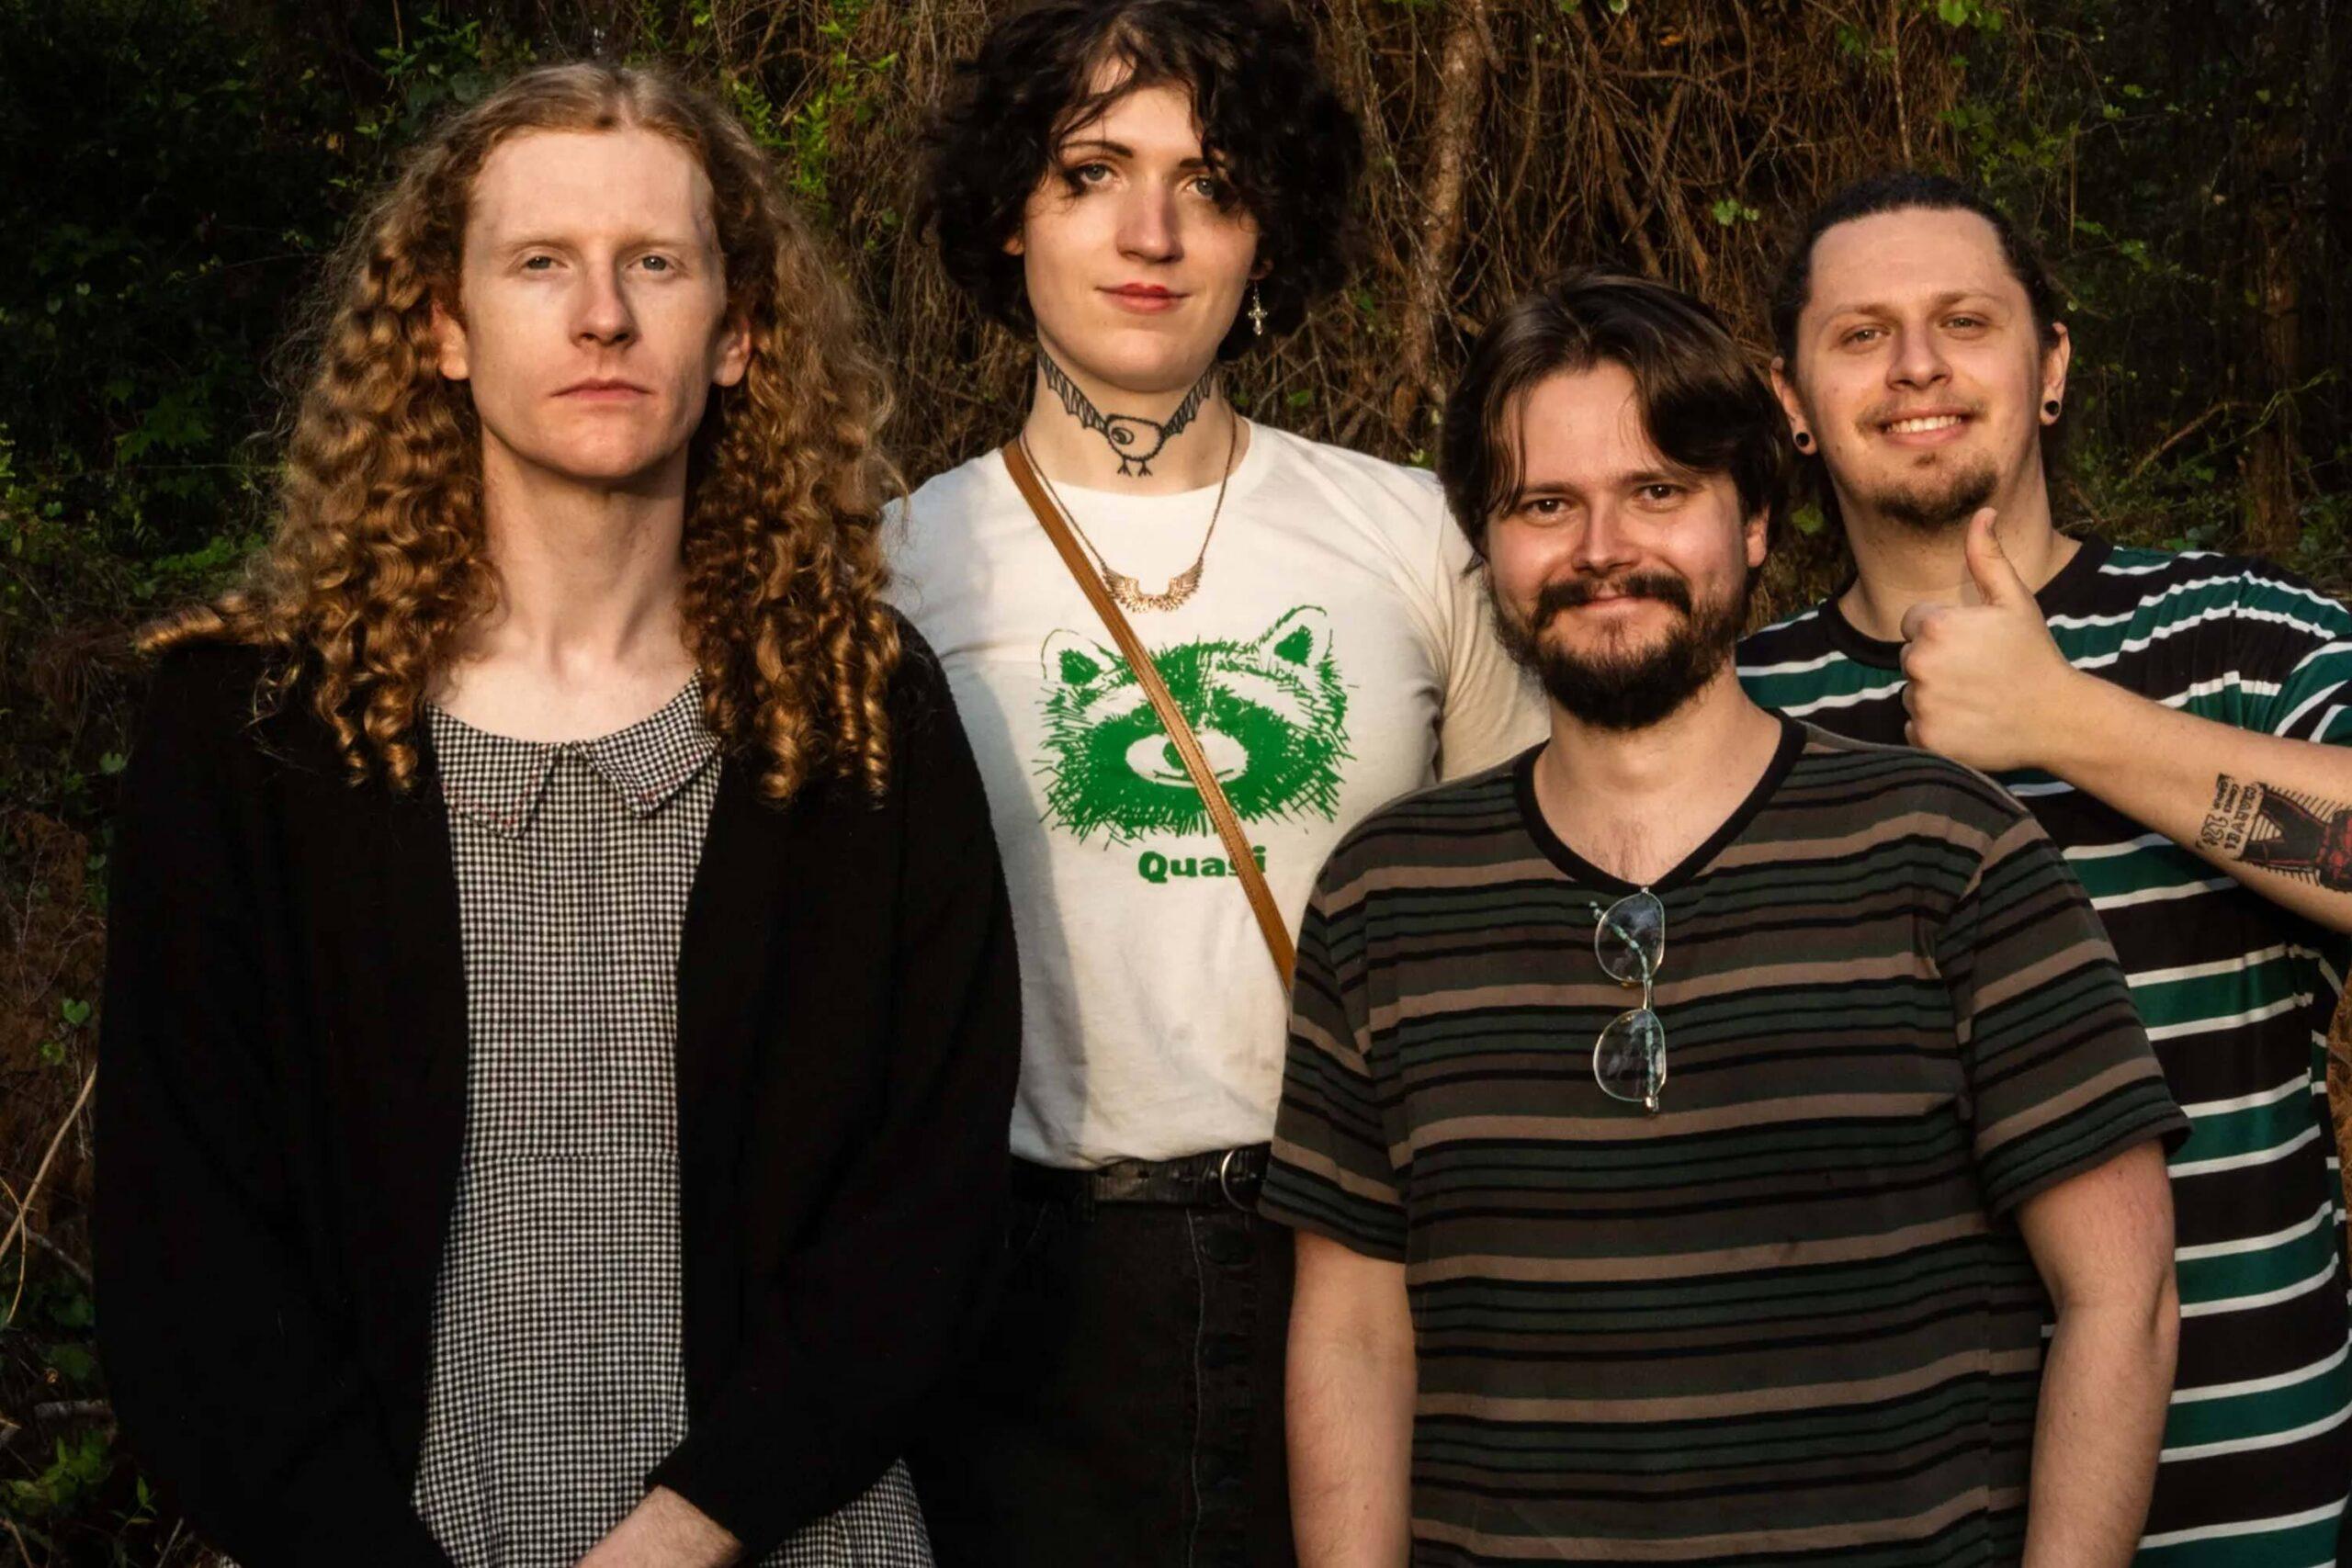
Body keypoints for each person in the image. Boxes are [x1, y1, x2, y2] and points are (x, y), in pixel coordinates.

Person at [93, 63, 1020, 1568]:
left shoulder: (859, 708)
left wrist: (688, 1533)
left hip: (793, 1535)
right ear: (444, 328)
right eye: (541, 263)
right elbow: (184, 1242)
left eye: (656, 262)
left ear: (738, 333)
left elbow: (932, 1206)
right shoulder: (254, 729)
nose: (603, 316)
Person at [1264, 268, 2188, 1566]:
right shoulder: (1385, 894)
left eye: (1658, 491)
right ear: (1488, 546)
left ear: (1752, 521)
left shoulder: (1951, 853)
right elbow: (1354, 1337)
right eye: (1545, 504)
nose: (1601, 549)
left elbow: (2123, 1298)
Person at [889, 2, 1544, 1561]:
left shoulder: (1416, 536)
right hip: (1019, 1309)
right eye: (1091, 172)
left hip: (1365, 1274)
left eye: (1212, 181)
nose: (1152, 232)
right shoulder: (900, 563)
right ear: (1008, 214)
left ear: (1269, 229)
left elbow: (1525, 923)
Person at [1737, 172, 2352, 1566]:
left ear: (2051, 364)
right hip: (1864, 1518)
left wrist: (2063, 719)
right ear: (1791, 398)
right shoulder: (1733, 707)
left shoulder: (2236, 639)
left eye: (1966, 321)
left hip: (2247, 1515)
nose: (1916, 366)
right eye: (1861, 334)